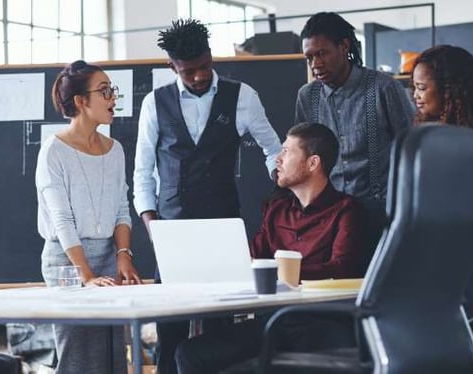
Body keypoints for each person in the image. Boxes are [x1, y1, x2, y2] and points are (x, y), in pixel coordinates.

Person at [133, 19, 281, 374]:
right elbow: (141, 172)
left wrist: (283, 182)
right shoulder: (155, 103)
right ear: (173, 67)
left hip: (223, 227)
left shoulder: (243, 96)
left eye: (204, 67)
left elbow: (273, 149)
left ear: (211, 56)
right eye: (188, 72)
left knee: (221, 331)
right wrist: (152, 224)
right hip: (172, 229)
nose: (199, 76)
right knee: (170, 331)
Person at [175, 122, 369, 373]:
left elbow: (342, 269)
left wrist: (281, 274)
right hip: (272, 323)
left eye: (287, 151)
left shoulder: (347, 211)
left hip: (320, 323)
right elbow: (253, 257)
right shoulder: (276, 210)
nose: (277, 159)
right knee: (190, 353)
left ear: (313, 163)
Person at [35, 60, 142, 374]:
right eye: (104, 91)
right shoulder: (53, 150)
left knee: (111, 356)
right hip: (67, 263)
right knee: (79, 357)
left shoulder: (115, 149)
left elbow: (122, 208)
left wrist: (123, 254)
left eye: (113, 90)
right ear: (81, 101)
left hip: (109, 255)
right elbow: (61, 220)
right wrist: (86, 275)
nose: (113, 98)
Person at [295, 12, 414, 251]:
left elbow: (411, 148)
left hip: (382, 213)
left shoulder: (383, 87)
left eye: (321, 54)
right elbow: (301, 156)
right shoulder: (307, 96)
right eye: (309, 57)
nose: (315, 64)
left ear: (343, 46)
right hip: (330, 215)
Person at [411, 45, 473, 318]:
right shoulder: (440, 126)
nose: (416, 96)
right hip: (444, 248)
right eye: (414, 87)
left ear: (450, 88)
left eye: (422, 88)